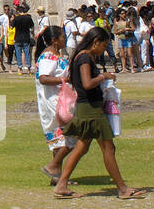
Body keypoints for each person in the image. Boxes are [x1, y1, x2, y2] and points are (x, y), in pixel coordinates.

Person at [52, 27, 143, 199]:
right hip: (91, 109)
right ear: (96, 42)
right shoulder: (85, 57)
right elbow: (87, 83)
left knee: (82, 147)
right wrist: (104, 76)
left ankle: (61, 185)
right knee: (108, 148)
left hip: (86, 107)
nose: (103, 49)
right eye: (104, 45)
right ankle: (122, 188)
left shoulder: (80, 57)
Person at [34, 26, 74, 184]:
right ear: (54, 40)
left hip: (62, 98)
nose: (65, 39)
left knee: (61, 138)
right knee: (67, 136)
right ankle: (55, 169)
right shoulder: (48, 57)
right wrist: (65, 80)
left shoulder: (58, 55)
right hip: (52, 100)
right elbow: (43, 78)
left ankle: (57, 174)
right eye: (63, 37)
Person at [12, 4, 35, 74]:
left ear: (18, 11)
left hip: (18, 37)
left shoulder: (16, 18)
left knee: (18, 54)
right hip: (26, 37)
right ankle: (28, 69)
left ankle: (20, 69)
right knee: (27, 54)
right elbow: (32, 27)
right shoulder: (28, 18)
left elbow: (11, 27)